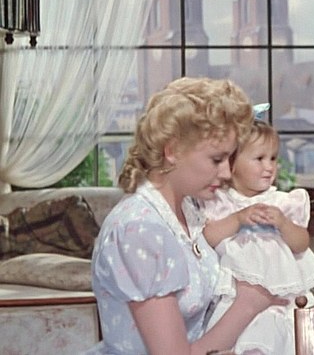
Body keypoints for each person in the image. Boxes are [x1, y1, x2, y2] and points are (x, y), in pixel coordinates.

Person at [89, 77, 289, 355]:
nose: (226, 173)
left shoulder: (188, 210)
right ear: (172, 151)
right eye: (216, 159)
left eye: (229, 159)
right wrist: (248, 305)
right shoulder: (140, 229)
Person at [201, 119, 314, 355]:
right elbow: (208, 237)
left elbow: (301, 244)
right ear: (232, 163)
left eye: (273, 158)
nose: (269, 167)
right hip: (239, 297)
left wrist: (283, 224)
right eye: (259, 159)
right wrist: (237, 219)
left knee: (284, 338)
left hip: (282, 296)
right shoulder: (222, 202)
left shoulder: (283, 202)